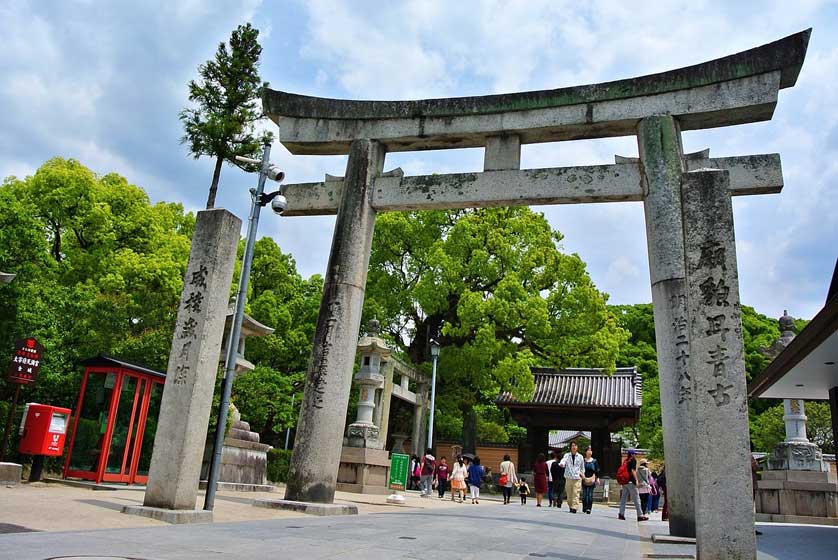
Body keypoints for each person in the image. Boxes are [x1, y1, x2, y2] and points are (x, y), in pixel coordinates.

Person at [618, 449, 647, 521]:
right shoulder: (633, 460)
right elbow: (633, 470)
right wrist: (636, 480)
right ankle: (640, 515)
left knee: (623, 499)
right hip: (631, 482)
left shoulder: (625, 460)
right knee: (637, 499)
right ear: (632, 454)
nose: (635, 455)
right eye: (634, 454)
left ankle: (621, 514)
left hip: (625, 482)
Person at [559, 440, 584, 513]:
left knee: (576, 493)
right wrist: (562, 464)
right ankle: (570, 505)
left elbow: (582, 467)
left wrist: (582, 473)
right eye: (572, 445)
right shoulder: (567, 455)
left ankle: (574, 507)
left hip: (577, 477)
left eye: (575, 445)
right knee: (569, 493)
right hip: (568, 477)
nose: (574, 447)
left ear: (577, 447)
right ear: (570, 447)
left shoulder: (580, 457)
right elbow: (564, 460)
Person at [580, 446, 599, 514]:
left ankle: (589, 508)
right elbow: (580, 469)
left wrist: (597, 479)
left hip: (592, 479)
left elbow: (597, 471)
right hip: (584, 479)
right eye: (588, 450)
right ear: (585, 452)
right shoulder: (583, 460)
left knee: (590, 495)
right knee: (584, 495)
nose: (590, 452)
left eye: (591, 450)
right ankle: (584, 507)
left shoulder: (594, 461)